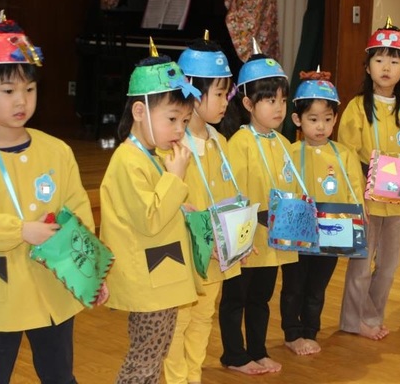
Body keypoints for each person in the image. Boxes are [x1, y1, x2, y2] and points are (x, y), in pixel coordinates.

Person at [0, 12, 105, 384]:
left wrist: (92, 272)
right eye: (8, 91)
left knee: (59, 374)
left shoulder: (57, 152)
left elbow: (79, 214)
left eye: (30, 89)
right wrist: (19, 230)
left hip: (54, 286)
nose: (22, 100)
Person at [99, 43, 201, 383]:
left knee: (154, 355)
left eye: (184, 121)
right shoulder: (128, 160)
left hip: (161, 275)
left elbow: (155, 207)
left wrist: (179, 207)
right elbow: (150, 220)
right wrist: (175, 178)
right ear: (140, 111)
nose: (179, 129)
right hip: (148, 281)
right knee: (144, 359)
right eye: (172, 119)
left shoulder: (150, 157)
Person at [162, 34, 242, 384]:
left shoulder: (220, 142)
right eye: (219, 94)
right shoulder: (172, 144)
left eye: (227, 93)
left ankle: (192, 375)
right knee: (178, 321)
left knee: (203, 317)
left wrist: (239, 236)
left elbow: (228, 195)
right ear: (193, 92)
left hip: (215, 255)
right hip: (184, 253)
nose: (226, 102)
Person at [336, 17, 400, 340]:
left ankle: (372, 315)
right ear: (367, 66)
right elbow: (346, 155)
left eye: (394, 61)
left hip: (395, 203)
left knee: (388, 265)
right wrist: (357, 195)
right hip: (367, 201)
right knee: (360, 264)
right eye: (379, 59)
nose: (386, 67)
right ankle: (353, 320)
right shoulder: (357, 108)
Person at [217, 46, 297, 375]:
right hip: (247, 240)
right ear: (248, 104)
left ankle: (258, 350)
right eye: (269, 100)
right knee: (235, 297)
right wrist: (239, 240)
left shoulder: (283, 143)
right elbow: (233, 195)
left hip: (273, 238)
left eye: (282, 100)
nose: (278, 107)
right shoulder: (239, 143)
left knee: (261, 297)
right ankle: (234, 355)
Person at [281, 69, 365, 355]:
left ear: (335, 119)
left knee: (317, 286)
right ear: (298, 119)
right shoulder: (290, 152)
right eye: (313, 119)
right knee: (294, 284)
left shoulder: (344, 154)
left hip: (332, 232)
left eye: (327, 119)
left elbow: (355, 189)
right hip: (297, 230)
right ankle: (292, 332)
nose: (321, 126)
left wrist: (358, 218)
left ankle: (310, 330)